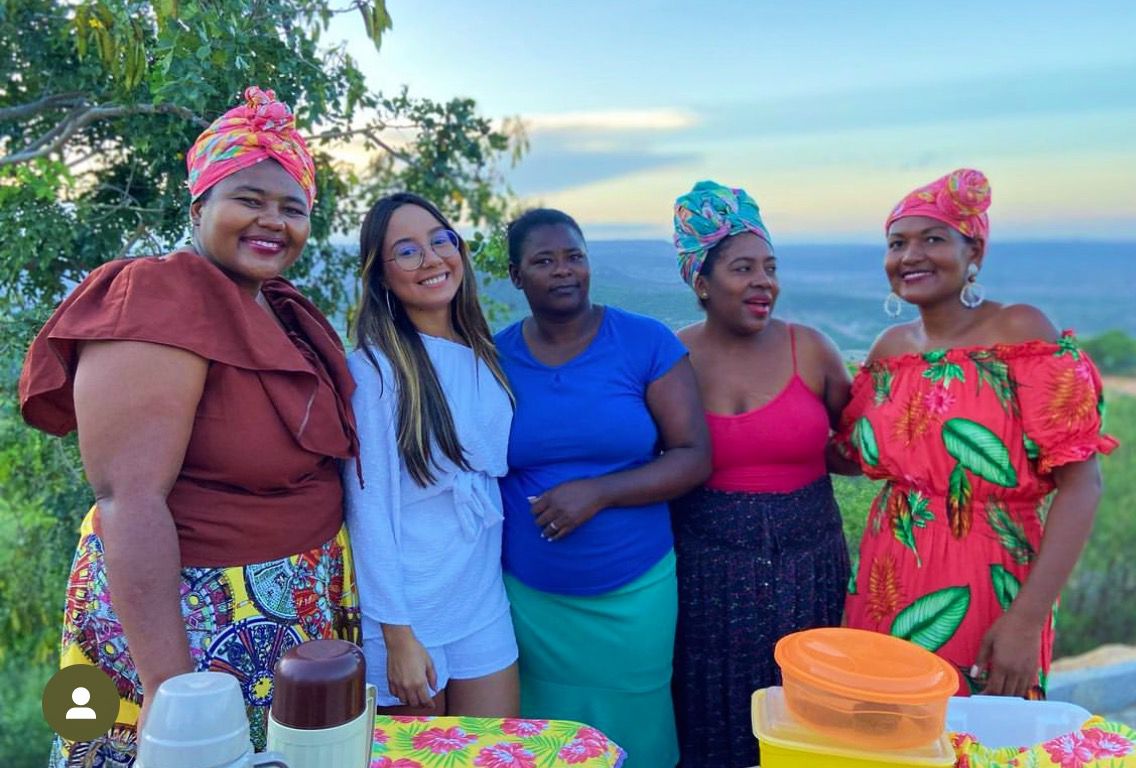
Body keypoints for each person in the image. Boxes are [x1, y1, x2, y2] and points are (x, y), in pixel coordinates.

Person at [19, 86, 361, 765]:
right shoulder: (156, 296)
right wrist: (168, 687)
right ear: (199, 206)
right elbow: (129, 498)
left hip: (293, 611)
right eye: (249, 200)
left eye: (292, 208)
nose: (273, 221)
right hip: (192, 621)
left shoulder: (279, 308)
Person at [838, 168, 1117, 698]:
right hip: (887, 571)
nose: (910, 255)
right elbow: (849, 453)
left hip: (987, 577)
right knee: (886, 723)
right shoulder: (889, 350)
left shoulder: (1019, 331)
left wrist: (1026, 620)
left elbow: (1083, 485)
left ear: (975, 254)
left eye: (932, 239)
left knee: (980, 729)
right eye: (897, 243)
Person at [495, 208, 711, 768]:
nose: (563, 270)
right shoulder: (494, 358)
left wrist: (598, 492)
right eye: (544, 261)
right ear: (516, 275)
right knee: (546, 739)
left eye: (574, 256)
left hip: (634, 592)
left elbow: (693, 456)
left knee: (637, 732)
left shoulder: (644, 342)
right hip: (531, 601)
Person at [669, 181, 853, 767]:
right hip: (708, 577)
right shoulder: (671, 359)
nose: (763, 281)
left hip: (809, 569)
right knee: (713, 713)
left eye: (770, 267)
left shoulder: (812, 350)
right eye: (743, 268)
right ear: (701, 281)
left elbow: (856, 447)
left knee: (810, 712)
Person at [342, 193, 519, 718]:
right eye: (407, 251)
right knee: (424, 754)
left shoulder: (483, 353)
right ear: (381, 275)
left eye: (441, 240)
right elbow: (369, 512)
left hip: (482, 600)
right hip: (410, 613)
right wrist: (398, 636)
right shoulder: (375, 371)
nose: (432, 258)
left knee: (497, 750)